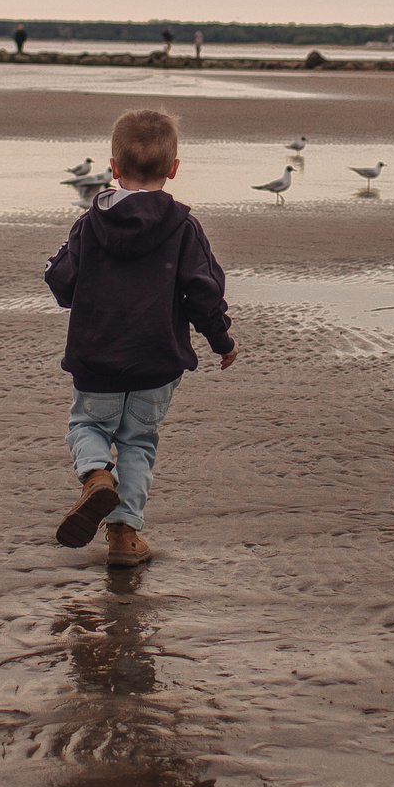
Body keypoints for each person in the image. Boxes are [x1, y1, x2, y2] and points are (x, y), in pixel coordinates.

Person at [42, 110, 236, 568]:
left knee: (88, 426)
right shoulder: (184, 226)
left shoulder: (90, 225)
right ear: (173, 168)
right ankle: (124, 536)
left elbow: (62, 285)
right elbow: (204, 292)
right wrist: (221, 341)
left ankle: (94, 476)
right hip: (157, 360)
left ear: (113, 167)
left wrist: (59, 268)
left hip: (97, 357)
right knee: (138, 442)